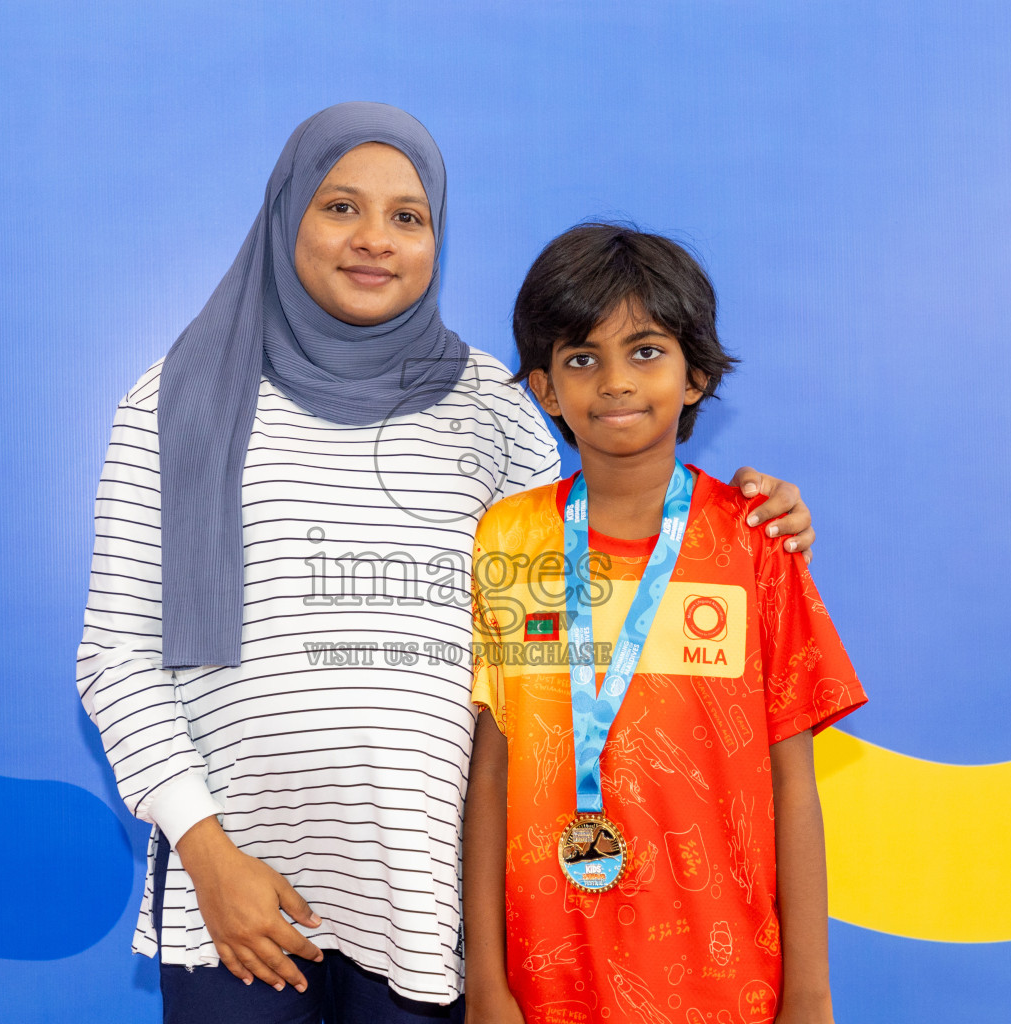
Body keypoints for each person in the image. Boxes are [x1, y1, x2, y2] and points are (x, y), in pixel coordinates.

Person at [78, 104, 817, 1024]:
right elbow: (116, 659)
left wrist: (755, 521)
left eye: (407, 216)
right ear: (284, 216)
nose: (374, 241)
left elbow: (581, 609)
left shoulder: (498, 415)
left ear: (437, 237)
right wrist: (205, 851)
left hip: (424, 909)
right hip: (235, 900)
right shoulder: (174, 401)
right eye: (339, 207)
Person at [464, 224, 867, 1024]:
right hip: (550, 981)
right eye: (582, 358)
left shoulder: (755, 542)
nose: (614, 382)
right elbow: (494, 768)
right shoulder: (507, 541)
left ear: (698, 376)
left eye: (645, 351)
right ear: (545, 390)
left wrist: (810, 996)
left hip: (729, 982)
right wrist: (487, 983)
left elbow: (793, 780)